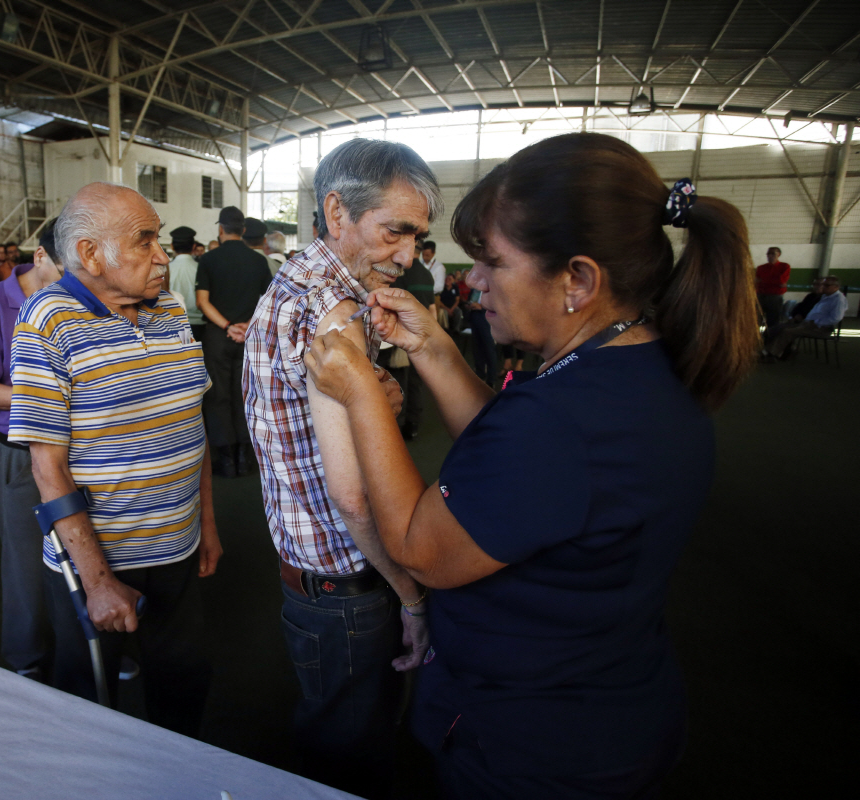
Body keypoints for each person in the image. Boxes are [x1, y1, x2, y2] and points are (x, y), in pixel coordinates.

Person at [302, 132, 757, 799]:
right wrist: (432, 349)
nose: (473, 280)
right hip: (609, 700)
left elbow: (421, 547)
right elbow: (519, 473)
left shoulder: (558, 422)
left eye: (493, 261)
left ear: (577, 280)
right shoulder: (632, 366)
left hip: (534, 744)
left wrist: (360, 391)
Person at [243, 138, 440, 799]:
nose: (409, 256)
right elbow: (354, 497)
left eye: (416, 236)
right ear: (337, 212)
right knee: (351, 757)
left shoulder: (297, 277)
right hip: (348, 581)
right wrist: (411, 596)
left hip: (309, 572)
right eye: (395, 231)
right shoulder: (337, 308)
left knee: (332, 737)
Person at [8, 182, 221, 737]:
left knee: (183, 684)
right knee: (90, 703)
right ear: (90, 254)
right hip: (102, 558)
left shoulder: (171, 310)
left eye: (158, 239)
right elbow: (46, 465)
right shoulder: (46, 321)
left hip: (178, 543)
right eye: (144, 240)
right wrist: (98, 581)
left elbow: (189, 425)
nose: (163, 255)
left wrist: (207, 526)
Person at [0, 218, 63, 682]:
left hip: (81, 445)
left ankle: (96, 642)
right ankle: (27, 659)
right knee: (25, 559)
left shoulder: (80, 296)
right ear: (40, 257)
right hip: (22, 448)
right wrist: (50, 392)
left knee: (91, 549)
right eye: (68, 274)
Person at [197, 207, 273, 478]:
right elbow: (268, 302)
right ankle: (245, 456)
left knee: (219, 396)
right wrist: (246, 327)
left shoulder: (209, 259)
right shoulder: (258, 261)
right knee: (246, 395)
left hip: (218, 336)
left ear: (221, 229)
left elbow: (202, 302)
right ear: (243, 230)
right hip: (250, 336)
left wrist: (228, 326)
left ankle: (226, 459)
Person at [389, 240, 436, 441]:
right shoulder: (427, 275)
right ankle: (413, 424)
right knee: (416, 382)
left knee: (396, 381)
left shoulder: (399, 274)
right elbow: (432, 308)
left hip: (401, 336)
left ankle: (394, 424)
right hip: (423, 336)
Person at [761, 275, 847, 362]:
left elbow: (836, 318)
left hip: (821, 328)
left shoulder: (838, 300)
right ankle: (773, 352)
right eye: (823, 285)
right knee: (780, 328)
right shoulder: (825, 296)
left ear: (836, 287)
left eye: (826, 285)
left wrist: (816, 322)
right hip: (808, 323)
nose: (823, 287)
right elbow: (800, 307)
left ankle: (770, 354)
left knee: (787, 331)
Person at [167, 226, 203, 338]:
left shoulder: (165, 269)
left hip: (172, 323)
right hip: (198, 324)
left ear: (172, 246)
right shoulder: (201, 268)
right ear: (193, 246)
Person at [756, 246, 790, 331]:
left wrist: (763, 280)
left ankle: (770, 339)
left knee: (773, 320)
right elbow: (755, 281)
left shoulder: (784, 266)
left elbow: (781, 282)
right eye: (768, 254)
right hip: (761, 295)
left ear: (779, 254)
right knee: (757, 319)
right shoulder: (761, 268)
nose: (770, 256)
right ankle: (758, 337)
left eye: (772, 254)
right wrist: (774, 280)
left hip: (775, 297)